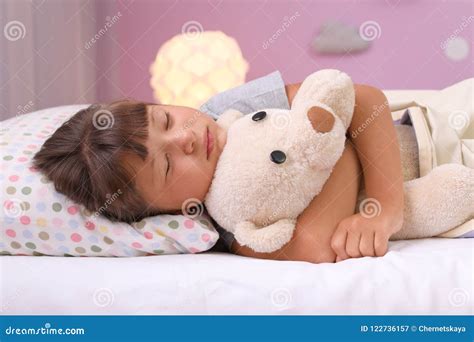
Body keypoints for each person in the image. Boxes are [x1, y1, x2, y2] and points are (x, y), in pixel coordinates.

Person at [33, 71, 404, 264]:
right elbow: (314, 246)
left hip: (417, 132)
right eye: (166, 165)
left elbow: (361, 98)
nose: (185, 139)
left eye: (165, 120)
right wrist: (335, 144)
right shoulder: (221, 225)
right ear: (170, 211)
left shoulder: (224, 108)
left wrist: (385, 209)